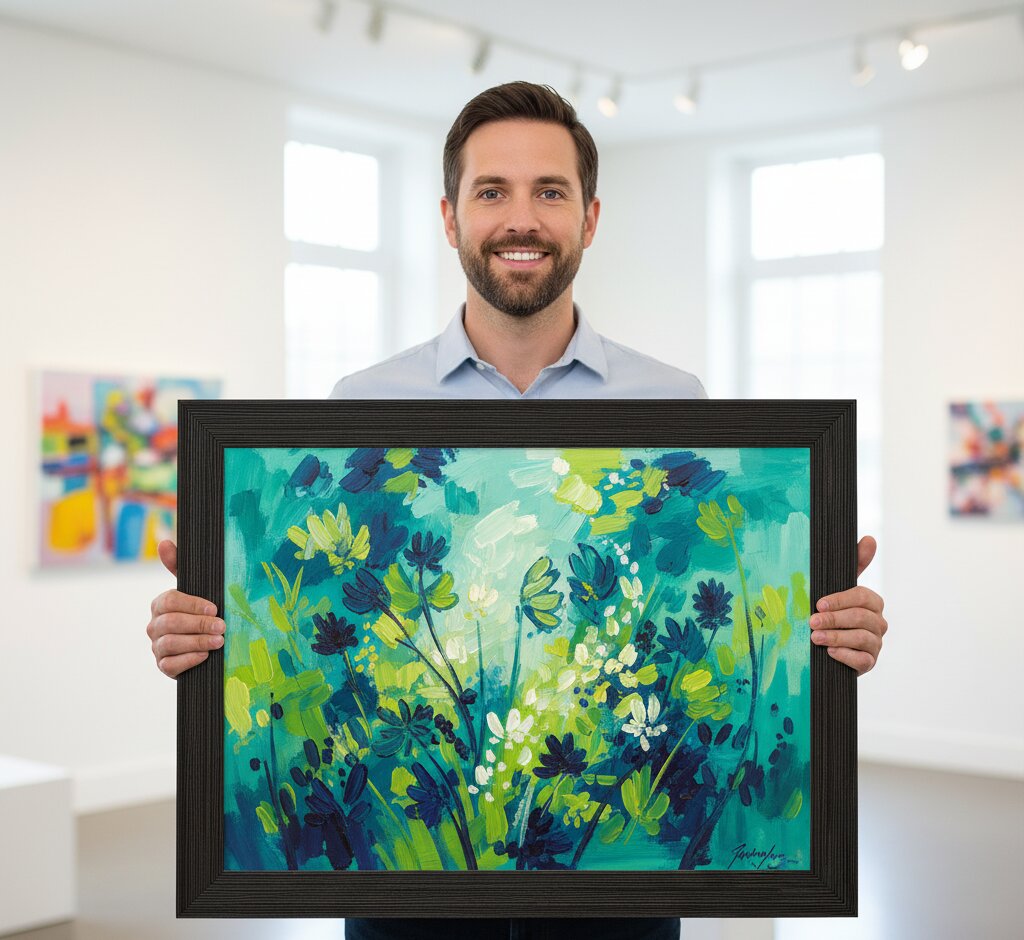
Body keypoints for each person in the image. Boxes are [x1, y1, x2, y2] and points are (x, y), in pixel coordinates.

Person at [147, 82, 887, 940]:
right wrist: (212, 629)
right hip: (407, 890)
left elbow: (708, 627)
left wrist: (824, 628)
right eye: (491, 191)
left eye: (551, 191)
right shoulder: (363, 407)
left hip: (615, 880)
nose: (521, 219)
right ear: (450, 217)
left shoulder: (677, 411)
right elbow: (315, 625)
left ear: (591, 216)